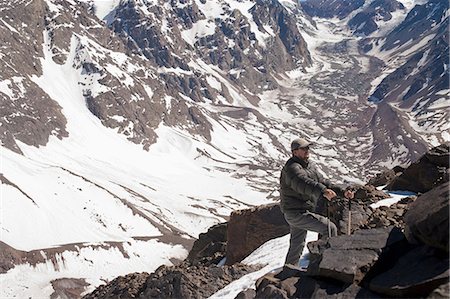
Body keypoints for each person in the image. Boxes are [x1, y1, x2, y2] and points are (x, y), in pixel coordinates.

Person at [279, 137, 354, 266]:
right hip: (295, 212)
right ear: (295, 152)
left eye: (308, 148)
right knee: (329, 228)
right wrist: (323, 191)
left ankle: (288, 270)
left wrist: (342, 192)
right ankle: (329, 265)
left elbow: (322, 181)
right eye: (304, 148)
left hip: (300, 210)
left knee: (297, 243)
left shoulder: (309, 165)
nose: (307, 150)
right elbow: (302, 183)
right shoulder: (291, 168)